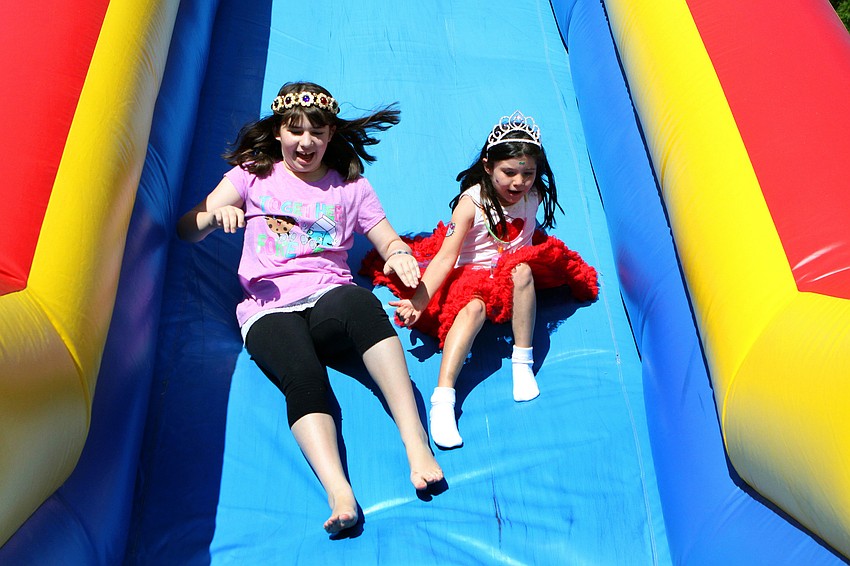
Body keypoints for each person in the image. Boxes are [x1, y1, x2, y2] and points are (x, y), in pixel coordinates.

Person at [177, 82, 443, 534]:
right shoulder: (252, 175)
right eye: (294, 130)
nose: (306, 142)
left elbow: (387, 238)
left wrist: (399, 254)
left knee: (361, 303)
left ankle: (415, 439)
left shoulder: (350, 186)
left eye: (316, 132)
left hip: (327, 296)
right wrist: (211, 217)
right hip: (268, 309)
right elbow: (187, 229)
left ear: (331, 135)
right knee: (301, 374)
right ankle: (339, 491)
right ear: (279, 132)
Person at [362, 111, 598, 449]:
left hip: (513, 273)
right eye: (509, 173)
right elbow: (447, 257)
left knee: (524, 269)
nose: (519, 183)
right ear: (488, 166)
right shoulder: (471, 204)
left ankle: (522, 361)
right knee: (472, 309)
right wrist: (420, 301)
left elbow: (527, 238)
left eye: (528, 174)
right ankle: (443, 398)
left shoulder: (533, 196)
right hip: (470, 274)